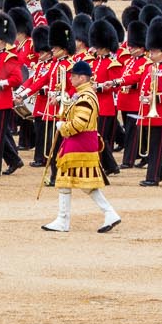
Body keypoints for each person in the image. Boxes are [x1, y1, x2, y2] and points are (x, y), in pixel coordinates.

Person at [43, 59, 120, 233]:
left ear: (83, 78)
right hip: (80, 143)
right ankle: (109, 213)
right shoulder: (82, 94)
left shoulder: (85, 97)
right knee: (81, 183)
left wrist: (63, 127)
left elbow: (79, 123)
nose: (70, 79)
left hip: (80, 144)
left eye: (74, 76)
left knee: (71, 181)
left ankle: (64, 220)